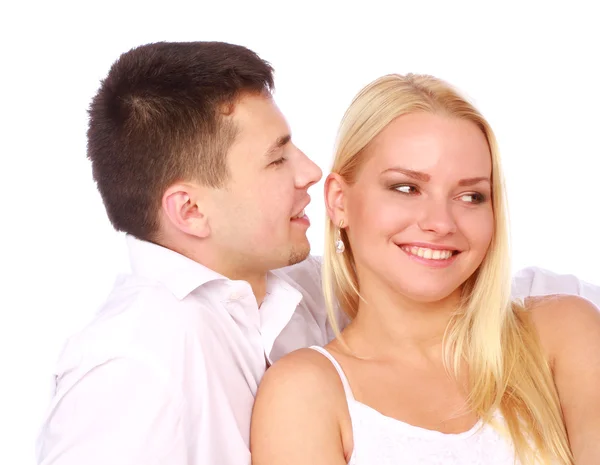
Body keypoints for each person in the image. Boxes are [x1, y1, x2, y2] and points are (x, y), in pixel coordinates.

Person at [36, 42, 598, 465]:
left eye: (473, 194)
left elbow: (428, 269)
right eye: (277, 159)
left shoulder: (287, 287)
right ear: (190, 212)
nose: (310, 171)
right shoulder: (131, 363)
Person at [250, 74, 600, 465]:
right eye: (406, 188)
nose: (441, 222)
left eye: (471, 196)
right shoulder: (305, 392)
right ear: (339, 201)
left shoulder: (564, 334)